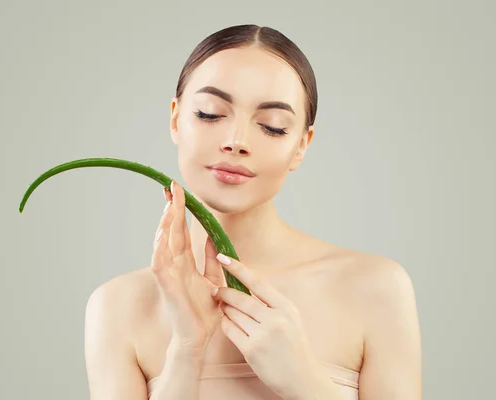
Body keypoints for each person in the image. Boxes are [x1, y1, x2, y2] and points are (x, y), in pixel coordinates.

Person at [84, 24, 422, 400]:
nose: (236, 142)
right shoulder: (117, 305)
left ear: (301, 146)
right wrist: (186, 350)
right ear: (175, 119)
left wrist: (304, 381)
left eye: (273, 127)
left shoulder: (375, 288)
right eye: (210, 114)